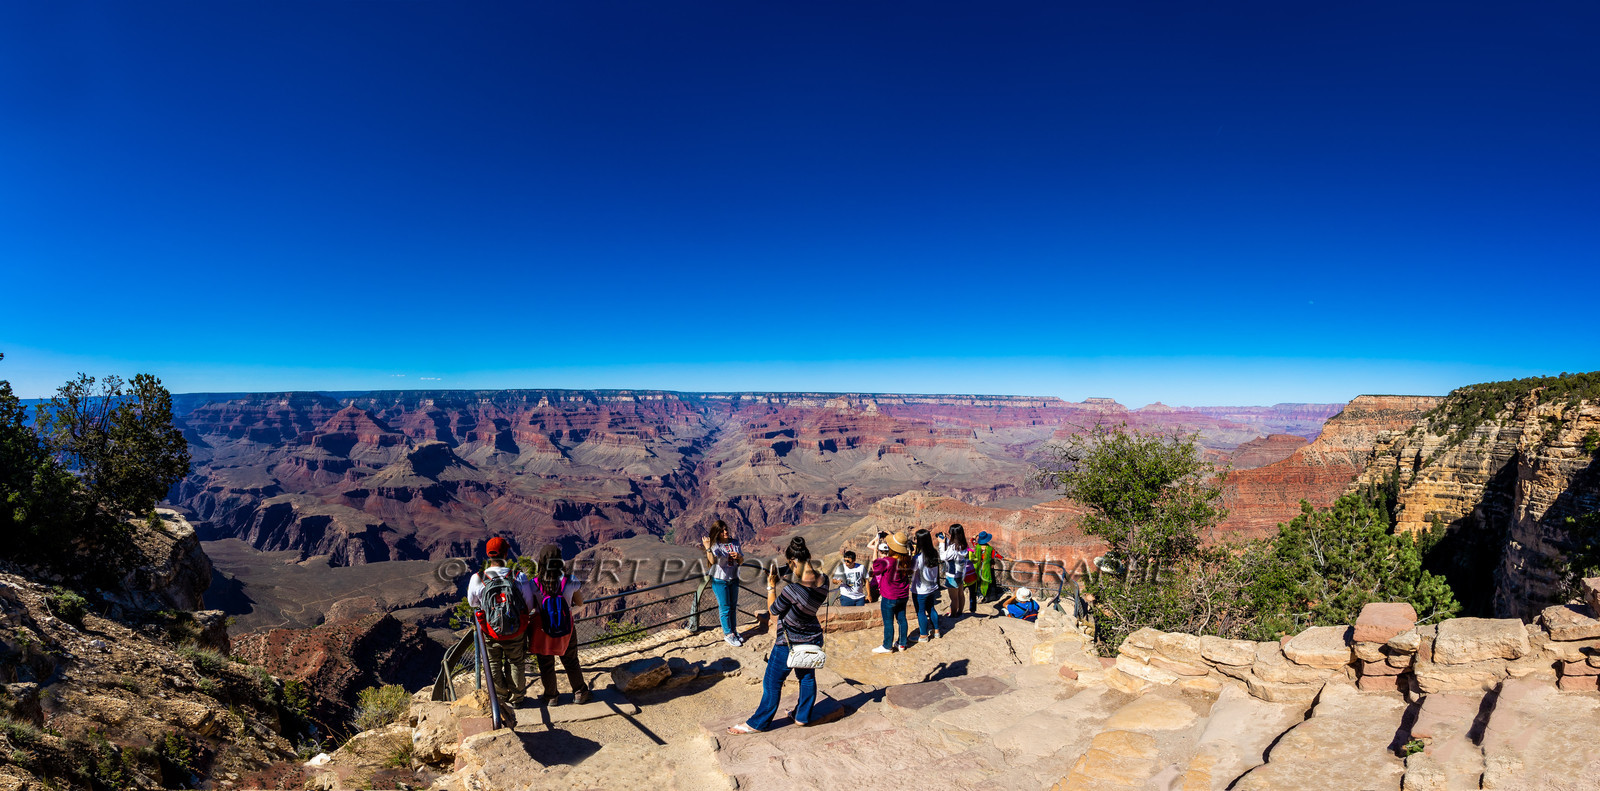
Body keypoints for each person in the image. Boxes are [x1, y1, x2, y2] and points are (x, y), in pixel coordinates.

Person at [727, 537, 829, 734]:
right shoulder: (823, 580)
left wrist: (771, 586)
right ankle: (802, 716)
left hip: (789, 642)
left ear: (791, 561)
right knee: (806, 677)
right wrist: (786, 573)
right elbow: (803, 594)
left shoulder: (792, 590)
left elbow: (774, 611)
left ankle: (758, 723)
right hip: (812, 638)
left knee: (772, 682)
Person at [466, 536, 535, 705]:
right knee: (516, 661)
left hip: (491, 630)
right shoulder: (519, 577)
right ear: (506, 554)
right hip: (516, 629)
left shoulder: (478, 578)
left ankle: (501, 697)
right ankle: (517, 698)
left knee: (493, 663)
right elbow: (529, 604)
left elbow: (472, 603)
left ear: (488, 555)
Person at [527, 544, 593, 706]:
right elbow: (580, 603)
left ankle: (551, 697)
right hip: (566, 628)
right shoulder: (570, 580)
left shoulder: (533, 583)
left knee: (546, 664)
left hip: (543, 629)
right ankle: (579, 693)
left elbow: (530, 607)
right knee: (570, 660)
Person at [702, 520, 745, 646]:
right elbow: (712, 562)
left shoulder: (735, 543)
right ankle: (728, 634)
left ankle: (734, 630)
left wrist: (738, 556)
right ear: (717, 533)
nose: (725, 532)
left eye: (726, 529)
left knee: (732, 607)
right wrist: (708, 548)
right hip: (720, 580)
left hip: (734, 578)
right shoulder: (716, 545)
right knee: (725, 608)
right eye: (722, 531)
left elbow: (741, 561)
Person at [870, 531, 912, 653]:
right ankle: (902, 644)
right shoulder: (906, 558)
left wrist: (876, 548)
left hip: (889, 596)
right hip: (903, 595)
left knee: (889, 622)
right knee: (902, 619)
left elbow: (875, 568)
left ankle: (887, 646)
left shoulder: (888, 561)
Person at [910, 529, 943, 641]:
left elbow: (912, 571)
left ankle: (923, 635)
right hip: (932, 588)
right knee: (931, 609)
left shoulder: (918, 558)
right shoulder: (934, 553)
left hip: (920, 590)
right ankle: (936, 631)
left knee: (921, 612)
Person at [938, 524, 973, 618]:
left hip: (952, 575)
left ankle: (953, 615)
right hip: (961, 573)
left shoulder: (953, 548)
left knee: (953, 598)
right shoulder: (963, 545)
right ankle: (960, 612)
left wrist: (941, 543)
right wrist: (947, 540)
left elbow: (943, 557)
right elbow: (954, 551)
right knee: (961, 594)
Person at [969, 531, 1004, 605]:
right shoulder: (990, 549)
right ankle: (988, 597)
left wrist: (976, 536)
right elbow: (998, 556)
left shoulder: (976, 546)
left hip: (978, 568)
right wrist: (1005, 558)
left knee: (979, 582)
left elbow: (972, 540)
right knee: (988, 582)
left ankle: (979, 595)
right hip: (987, 568)